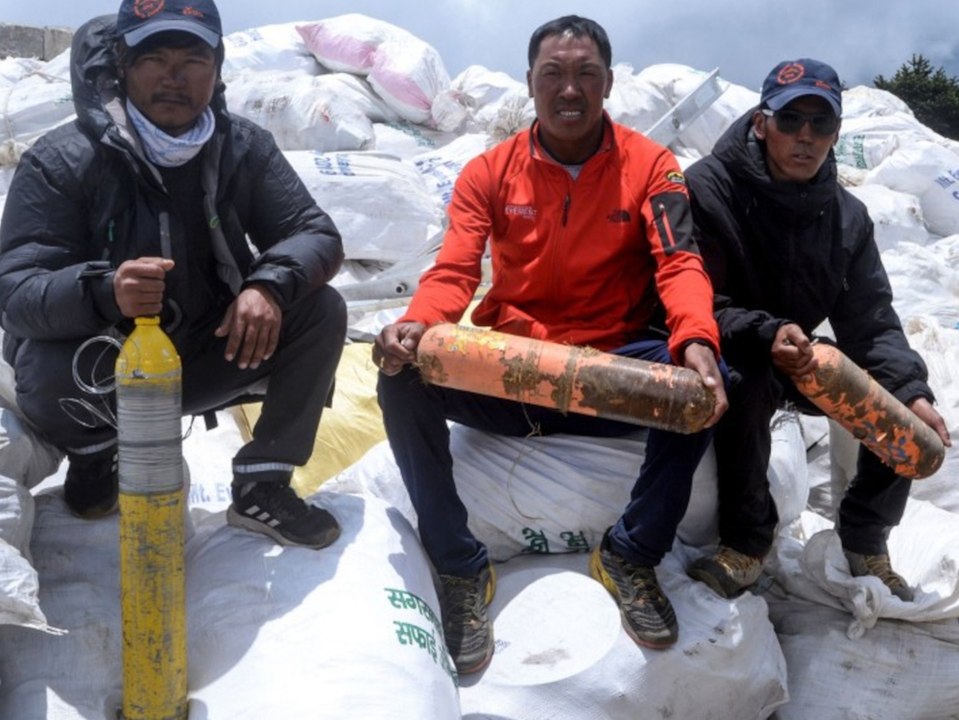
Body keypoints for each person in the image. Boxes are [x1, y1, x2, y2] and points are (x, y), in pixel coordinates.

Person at [374, 15, 728, 674]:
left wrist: (695, 340)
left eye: (585, 74)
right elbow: (454, 268)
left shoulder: (651, 166)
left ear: (608, 83)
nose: (570, 90)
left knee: (705, 385)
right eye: (553, 75)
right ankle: (457, 568)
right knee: (402, 375)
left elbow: (678, 261)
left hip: (610, 372)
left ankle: (629, 554)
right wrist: (418, 324)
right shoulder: (487, 172)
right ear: (530, 85)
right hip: (513, 372)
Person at [0, 0, 347, 550]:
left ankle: (264, 484)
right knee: (38, 357)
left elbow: (316, 233)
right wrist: (103, 290)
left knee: (321, 310)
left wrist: (267, 287)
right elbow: (16, 291)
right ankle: (96, 456)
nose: (173, 77)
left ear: (216, 68)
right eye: (153, 58)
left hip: (211, 350)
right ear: (120, 64)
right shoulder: (61, 159)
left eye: (192, 61)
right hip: (105, 371)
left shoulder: (243, 147)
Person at [684, 58, 952, 601]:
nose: (805, 137)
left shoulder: (847, 217)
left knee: (887, 401)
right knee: (749, 380)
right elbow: (691, 297)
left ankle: (864, 539)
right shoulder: (708, 188)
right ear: (762, 124)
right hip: (721, 346)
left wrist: (910, 393)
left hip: (796, 352)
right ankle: (746, 544)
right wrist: (765, 332)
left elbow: (872, 322)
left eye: (821, 124)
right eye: (790, 121)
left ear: (835, 132)